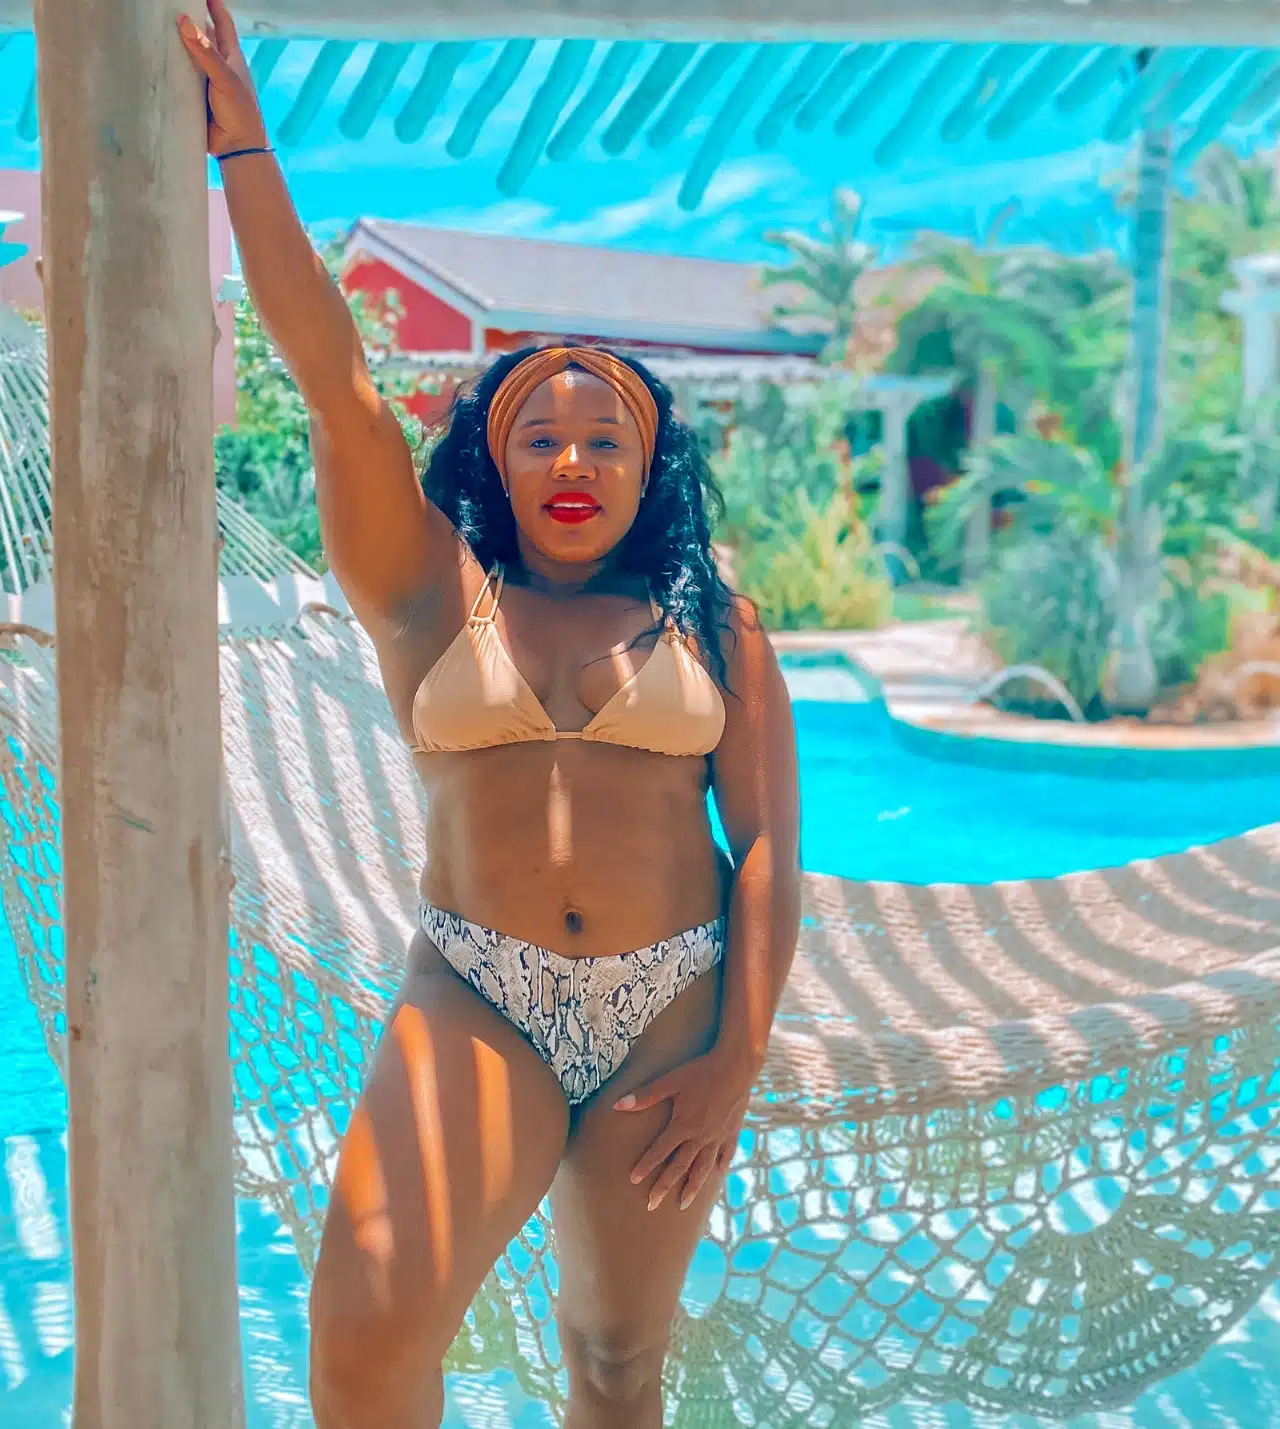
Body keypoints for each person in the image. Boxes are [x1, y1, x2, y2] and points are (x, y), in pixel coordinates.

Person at [179, 6, 803, 1425]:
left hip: (672, 1012)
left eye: (607, 438)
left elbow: (765, 845)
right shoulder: (427, 593)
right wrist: (246, 146)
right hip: (481, 990)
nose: (573, 456)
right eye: (541, 434)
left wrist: (734, 1063)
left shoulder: (717, 619)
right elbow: (337, 389)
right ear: (496, 460)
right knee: (365, 1335)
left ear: (650, 470)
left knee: (617, 1364)